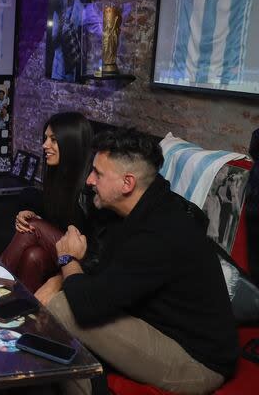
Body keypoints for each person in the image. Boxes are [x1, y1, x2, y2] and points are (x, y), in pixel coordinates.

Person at [37, 128, 238, 394]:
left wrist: (67, 259)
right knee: (57, 297)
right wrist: (59, 278)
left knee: (62, 307)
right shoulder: (134, 210)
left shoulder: (160, 232)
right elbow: (105, 275)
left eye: (98, 173)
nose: (88, 180)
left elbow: (87, 306)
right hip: (154, 324)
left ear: (127, 183)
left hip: (197, 362)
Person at [0, 112, 97, 292]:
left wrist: (38, 224)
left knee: (33, 226)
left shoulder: (91, 184)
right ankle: (23, 309)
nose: (45, 145)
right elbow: (57, 220)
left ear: (71, 144)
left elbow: (91, 245)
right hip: (58, 250)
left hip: (83, 258)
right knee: (33, 255)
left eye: (53, 140)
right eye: (46, 139)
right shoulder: (58, 176)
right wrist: (30, 214)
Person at [50, 0, 84, 82]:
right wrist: (61, 27)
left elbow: (82, 40)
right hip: (58, 67)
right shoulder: (58, 5)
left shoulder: (80, 9)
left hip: (72, 66)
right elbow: (53, 41)